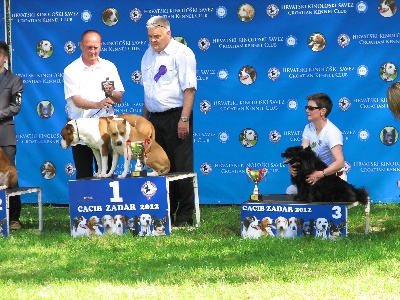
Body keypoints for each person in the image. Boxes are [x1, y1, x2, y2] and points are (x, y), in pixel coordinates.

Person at [141, 16, 197, 227]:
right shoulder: (147, 55)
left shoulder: (182, 53)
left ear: (168, 33)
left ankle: (185, 216)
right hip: (155, 118)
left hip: (176, 115)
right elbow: (148, 91)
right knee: (160, 166)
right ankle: (165, 212)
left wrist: (184, 118)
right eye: (150, 37)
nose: (153, 41)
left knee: (181, 167)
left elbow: (189, 89)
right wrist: (143, 120)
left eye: (157, 36)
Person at [63, 30, 125, 179]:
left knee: (106, 173)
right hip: (80, 131)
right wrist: (98, 104)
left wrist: (112, 93)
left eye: (95, 47)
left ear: (101, 46)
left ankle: (106, 202)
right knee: (84, 173)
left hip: (104, 129)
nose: (92, 51)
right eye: (89, 47)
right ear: (80, 46)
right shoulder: (71, 70)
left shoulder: (109, 66)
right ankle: (85, 202)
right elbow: (77, 101)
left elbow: (119, 97)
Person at [286, 93, 346, 194]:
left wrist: (320, 174)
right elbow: (302, 155)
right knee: (290, 191)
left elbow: (340, 163)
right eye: (307, 107)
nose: (307, 110)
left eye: (311, 108)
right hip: (315, 177)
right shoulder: (308, 128)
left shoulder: (332, 132)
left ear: (323, 111)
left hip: (332, 179)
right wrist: (292, 166)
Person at [0, 41, 23, 229]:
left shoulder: (15, 80)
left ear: (5, 57)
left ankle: (14, 217)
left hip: (5, 133)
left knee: (9, 174)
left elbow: (15, 107)